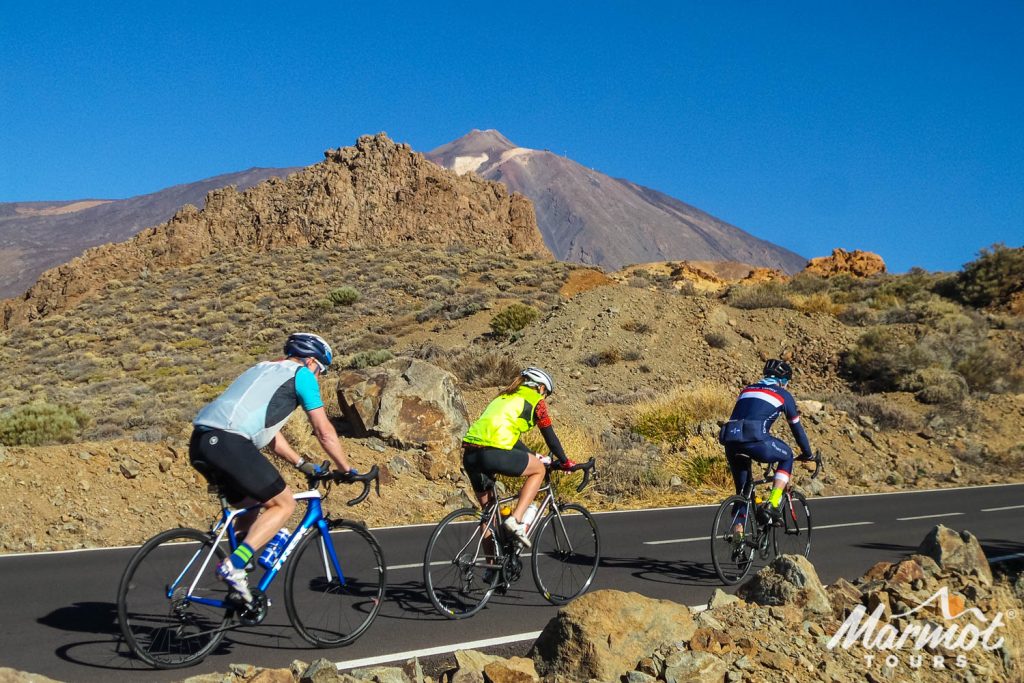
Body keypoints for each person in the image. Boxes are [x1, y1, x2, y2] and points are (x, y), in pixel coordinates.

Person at [189, 332, 356, 603]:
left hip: (201, 442)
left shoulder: (260, 369)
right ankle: (235, 566)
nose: (318, 376)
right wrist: (346, 468)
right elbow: (323, 430)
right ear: (312, 361)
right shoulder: (301, 375)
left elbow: (269, 435)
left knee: (252, 503)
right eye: (321, 371)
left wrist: (302, 464)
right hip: (231, 442)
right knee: (284, 504)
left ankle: (239, 583)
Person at [462, 367, 575, 547]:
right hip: (493, 453)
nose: (544, 398)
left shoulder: (503, 397)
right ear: (541, 388)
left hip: (470, 454)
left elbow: (507, 437)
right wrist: (565, 461)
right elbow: (550, 437)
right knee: (538, 470)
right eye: (546, 394)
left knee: (489, 513)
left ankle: (492, 573)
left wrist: (532, 455)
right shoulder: (535, 400)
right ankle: (516, 519)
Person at [719, 359, 813, 530]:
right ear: (783, 381)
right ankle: (773, 503)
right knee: (787, 455)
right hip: (756, 439)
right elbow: (797, 428)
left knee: (742, 493)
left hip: (731, 440)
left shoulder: (747, 389)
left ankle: (737, 538)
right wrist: (807, 453)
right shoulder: (783, 395)